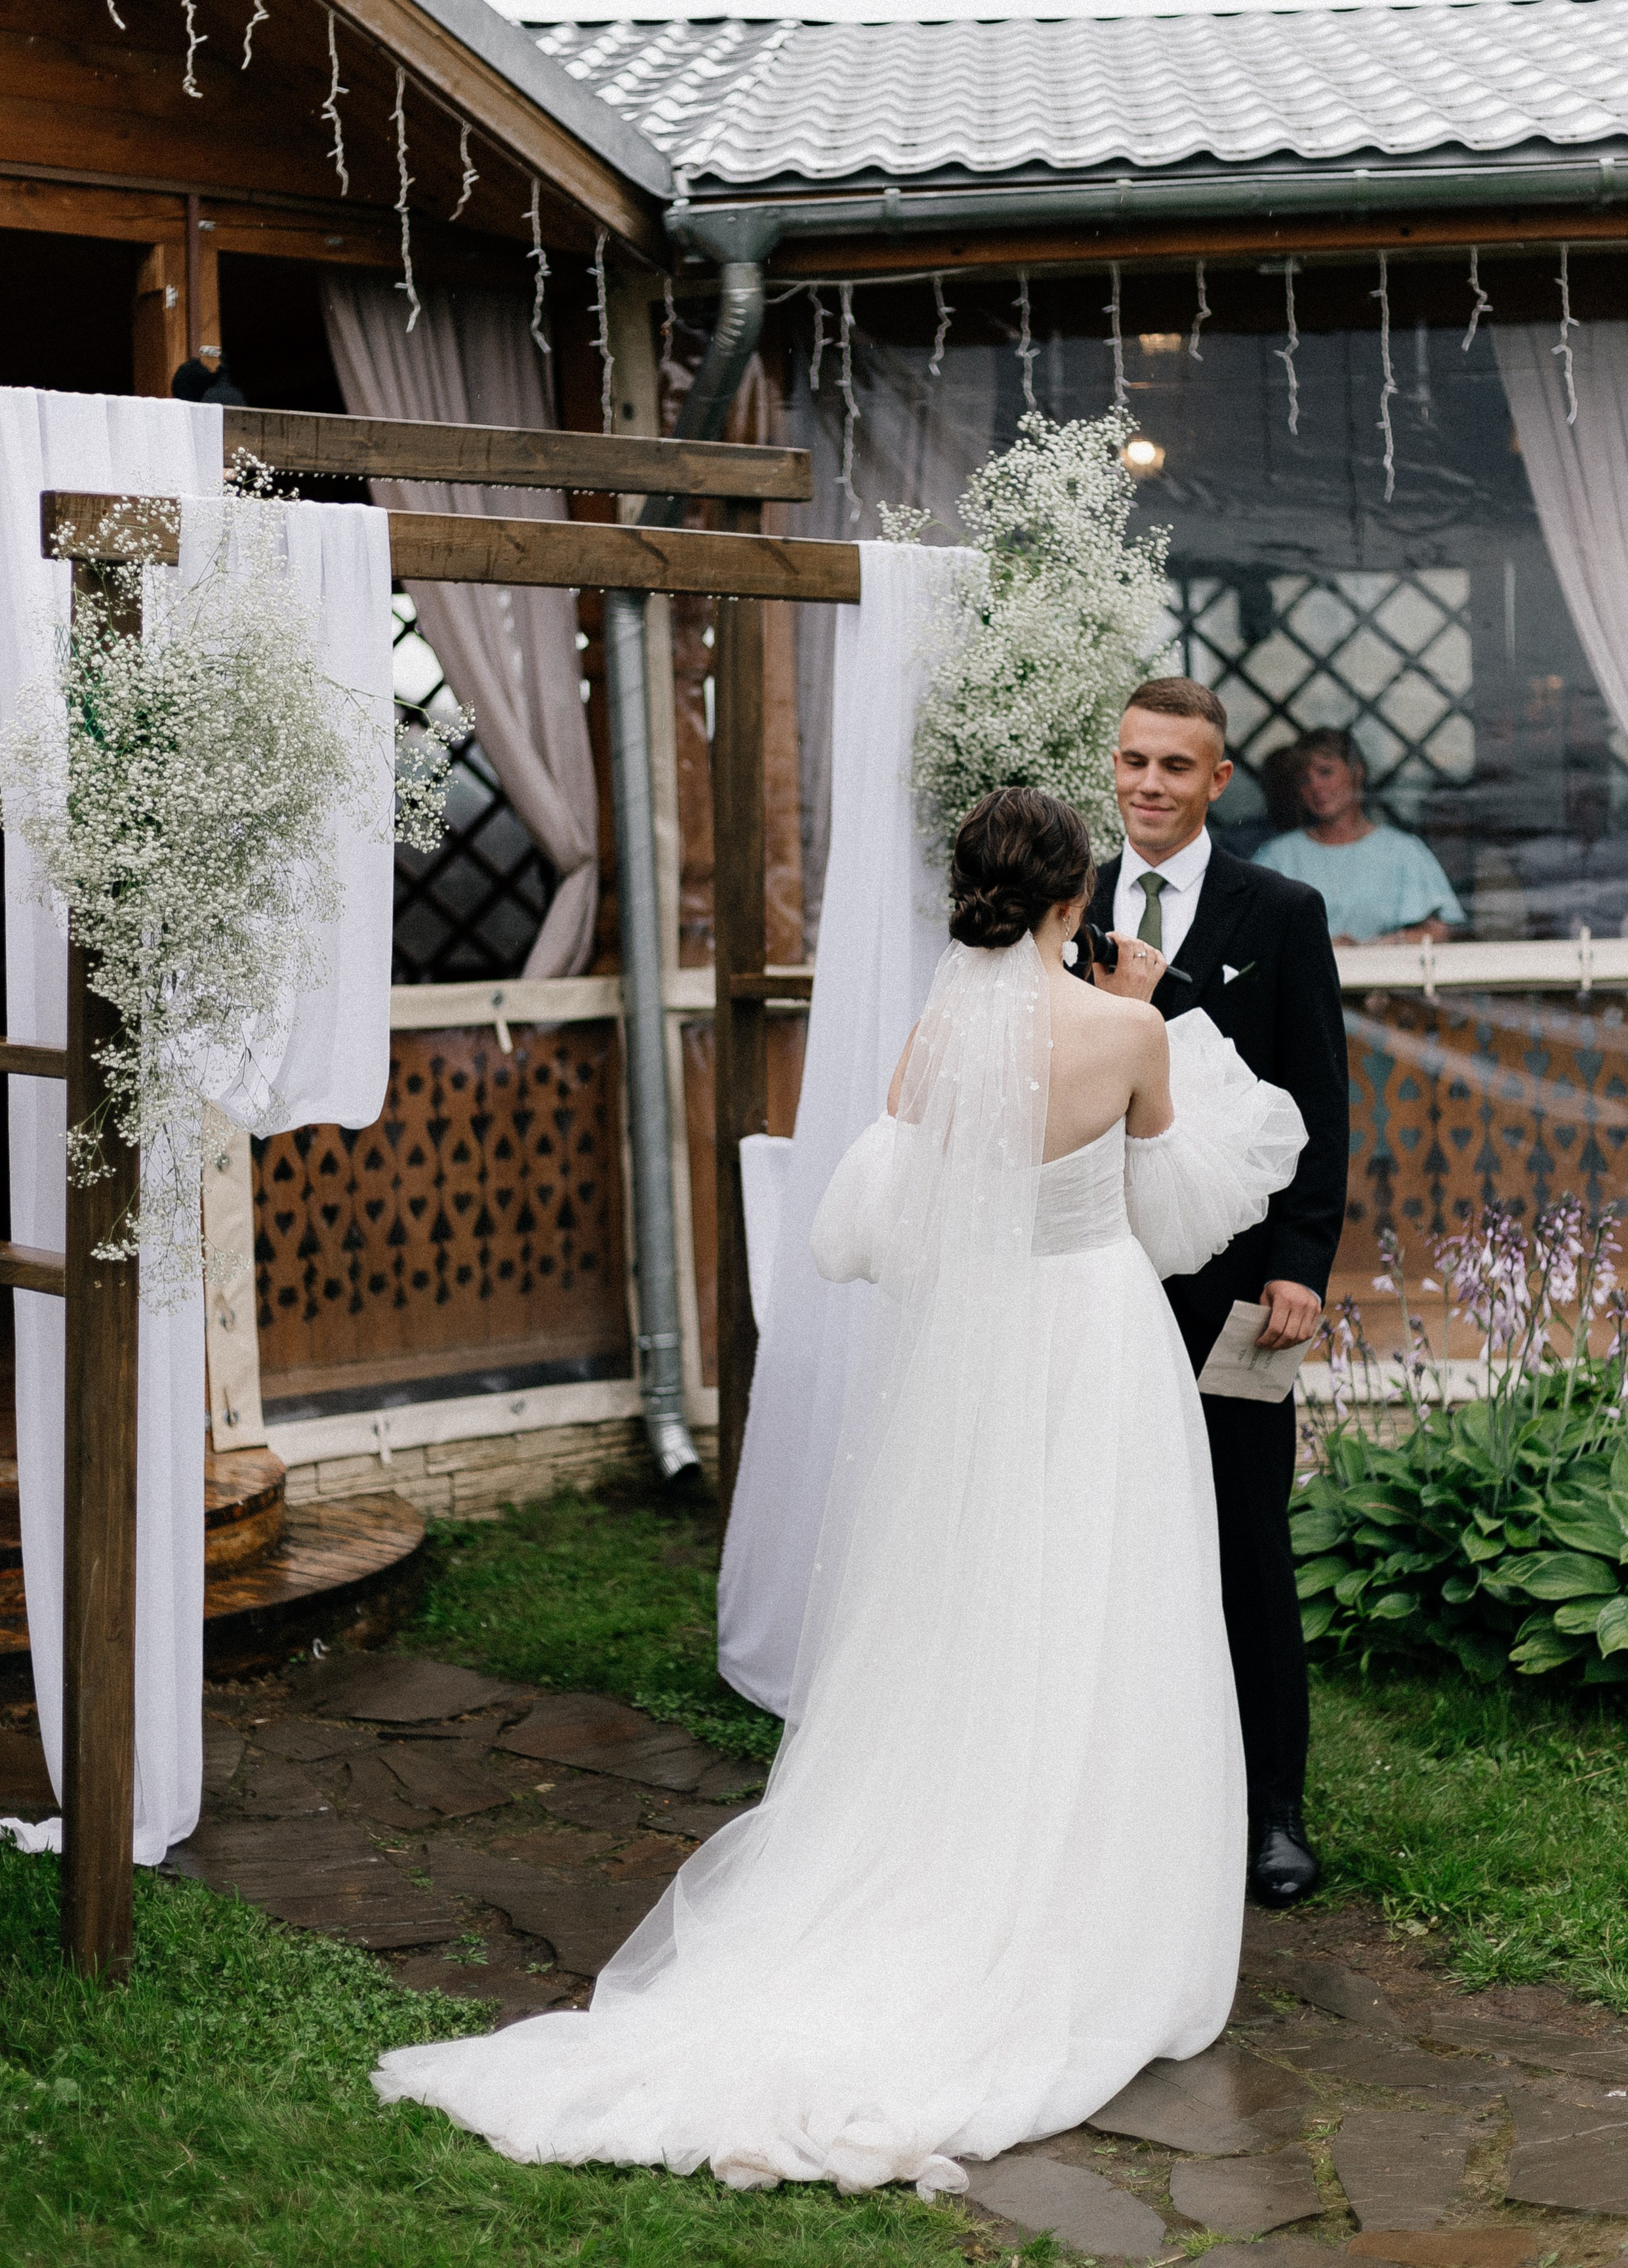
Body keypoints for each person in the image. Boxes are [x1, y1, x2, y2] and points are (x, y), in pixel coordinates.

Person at [373, 786, 1306, 2196]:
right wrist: (1165, 1019)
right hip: (1098, 1341)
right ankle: (1087, 1899)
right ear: (1073, 900)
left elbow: (877, 1222)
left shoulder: (935, 1037)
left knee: (966, 1602)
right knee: (1105, 1601)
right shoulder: (1122, 1029)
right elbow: (1174, 1214)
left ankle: (947, 1855)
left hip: (977, 1351)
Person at [1088, 679, 1349, 1909]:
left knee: (1247, 1543)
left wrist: (1301, 1263)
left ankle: (1271, 1814)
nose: (1149, 786)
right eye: (1134, 762)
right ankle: (1128, 1805)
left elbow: (1320, 1103)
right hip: (1094, 1281)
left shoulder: (1281, 912)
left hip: (1238, 1288)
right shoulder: (1065, 906)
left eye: (1175, 769)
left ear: (1218, 780)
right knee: (1107, 1543)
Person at [1254, 728, 1466, 944]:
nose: (1315, 786)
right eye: (1304, 780)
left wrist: (1379, 945)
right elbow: (1251, 934)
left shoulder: (1402, 850)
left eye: (1326, 772)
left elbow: (1440, 932)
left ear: (1357, 772)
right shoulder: (1278, 856)